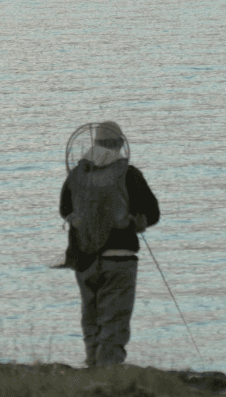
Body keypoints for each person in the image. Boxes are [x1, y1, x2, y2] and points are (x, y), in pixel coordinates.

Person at [59, 121, 160, 368]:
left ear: (94, 143)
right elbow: (153, 213)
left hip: (84, 261)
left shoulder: (76, 175)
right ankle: (109, 377)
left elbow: (64, 210)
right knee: (114, 324)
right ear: (120, 145)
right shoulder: (130, 174)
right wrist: (137, 221)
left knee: (91, 321)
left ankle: (92, 369)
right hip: (119, 260)